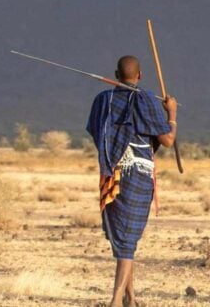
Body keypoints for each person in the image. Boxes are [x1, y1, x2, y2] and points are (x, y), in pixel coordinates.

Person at [85, 55, 178, 307]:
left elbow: (97, 134)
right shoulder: (145, 98)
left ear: (116, 75)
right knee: (127, 240)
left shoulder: (102, 101)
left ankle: (130, 298)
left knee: (126, 237)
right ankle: (116, 300)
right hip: (137, 173)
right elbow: (168, 140)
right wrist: (171, 113)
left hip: (110, 174)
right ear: (140, 75)